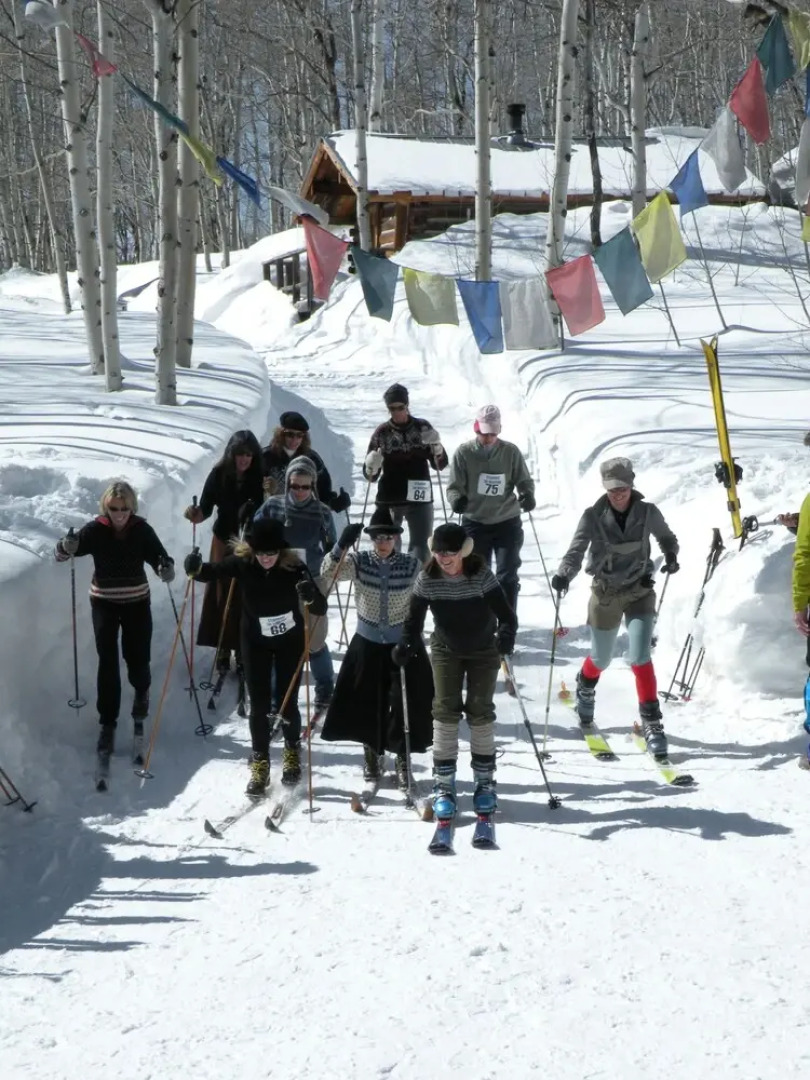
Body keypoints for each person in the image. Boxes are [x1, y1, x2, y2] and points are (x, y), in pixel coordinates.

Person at [184, 517, 327, 795]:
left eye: (271, 553)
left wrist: (310, 595)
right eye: (261, 553)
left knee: (287, 703)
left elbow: (319, 607)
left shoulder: (295, 566)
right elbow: (209, 572)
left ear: (280, 551)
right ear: (252, 550)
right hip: (254, 641)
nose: (266, 559)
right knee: (259, 705)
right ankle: (260, 761)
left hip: (289, 641)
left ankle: (291, 754)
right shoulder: (243, 563)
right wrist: (194, 567)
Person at [551, 457, 679, 758]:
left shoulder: (648, 512)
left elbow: (667, 538)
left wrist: (670, 555)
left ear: (631, 484)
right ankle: (585, 685)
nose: (617, 494)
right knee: (601, 656)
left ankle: (652, 722)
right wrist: (563, 574)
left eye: (622, 487)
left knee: (640, 656)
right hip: (606, 593)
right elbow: (576, 551)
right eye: (611, 489)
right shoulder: (592, 516)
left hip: (639, 592)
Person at [397, 522, 517, 820]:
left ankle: (485, 782)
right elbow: (413, 619)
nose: (443, 557)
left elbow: (506, 615)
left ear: (463, 551)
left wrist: (505, 634)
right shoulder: (428, 578)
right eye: (437, 551)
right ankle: (444, 783)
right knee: (445, 710)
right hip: (446, 649)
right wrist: (406, 643)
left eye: (449, 551)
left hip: (483, 650)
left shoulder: (480, 575)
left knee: (479, 710)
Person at [55, 481, 174, 755]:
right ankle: (107, 722)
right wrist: (66, 544)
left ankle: (141, 691)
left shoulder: (141, 529)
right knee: (107, 662)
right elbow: (62, 554)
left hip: (137, 603)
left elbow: (160, 558)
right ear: (105, 507)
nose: (119, 514)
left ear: (132, 507)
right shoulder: (96, 529)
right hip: (104, 603)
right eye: (114, 508)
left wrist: (165, 568)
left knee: (137, 657)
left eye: (124, 508)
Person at [320, 507, 433, 786]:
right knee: (366, 702)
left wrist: (415, 634)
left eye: (388, 538)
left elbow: (425, 594)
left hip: (401, 645)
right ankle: (372, 751)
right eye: (377, 538)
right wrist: (341, 544)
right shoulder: (359, 561)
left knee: (403, 703)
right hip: (367, 642)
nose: (382, 543)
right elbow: (328, 573)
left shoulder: (411, 564)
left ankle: (403, 758)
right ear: (371, 539)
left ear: (396, 538)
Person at [253, 455, 337, 711]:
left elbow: (331, 546)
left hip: (312, 578)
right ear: (287, 483)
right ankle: (277, 693)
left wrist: (332, 567)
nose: (299, 491)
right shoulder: (273, 506)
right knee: (280, 637)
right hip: (280, 579)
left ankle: (324, 685)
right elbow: (254, 538)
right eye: (294, 485)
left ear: (313, 485)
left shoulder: (322, 511)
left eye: (305, 486)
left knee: (314, 640)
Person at [184, 430, 265, 675]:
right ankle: (222, 647)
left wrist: (271, 493)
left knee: (244, 594)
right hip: (223, 540)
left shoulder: (260, 476)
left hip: (249, 542)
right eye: (239, 454)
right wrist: (196, 513)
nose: (244, 460)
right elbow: (206, 508)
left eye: (248, 455)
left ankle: (241, 647)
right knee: (220, 591)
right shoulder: (219, 475)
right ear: (231, 454)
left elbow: (268, 508)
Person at [445, 404, 535, 621]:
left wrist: (527, 494)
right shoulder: (464, 453)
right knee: (477, 576)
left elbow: (523, 480)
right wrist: (457, 500)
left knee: (507, 575)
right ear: (476, 429)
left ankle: (507, 627)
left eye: (493, 434)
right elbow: (454, 486)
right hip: (475, 522)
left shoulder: (510, 452)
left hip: (507, 521)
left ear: (499, 430)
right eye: (484, 433)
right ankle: (482, 626)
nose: (488, 438)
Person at [362, 382, 448, 564]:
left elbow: (440, 465)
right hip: (390, 499)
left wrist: (438, 449)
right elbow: (371, 475)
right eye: (391, 409)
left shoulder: (423, 427)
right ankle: (392, 587)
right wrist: (372, 466)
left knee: (421, 549)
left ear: (407, 406)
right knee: (389, 549)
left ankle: (417, 589)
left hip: (420, 497)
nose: (396, 412)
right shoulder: (382, 432)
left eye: (400, 407)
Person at [262, 410, 351, 513]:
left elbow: (323, 493)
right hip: (272, 516)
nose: (295, 439)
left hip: (304, 518)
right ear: (281, 434)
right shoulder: (266, 457)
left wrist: (335, 503)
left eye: (299, 435)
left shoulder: (312, 459)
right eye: (290, 434)